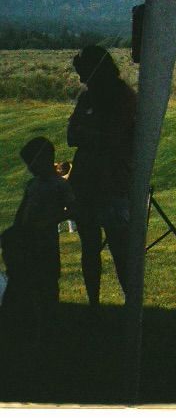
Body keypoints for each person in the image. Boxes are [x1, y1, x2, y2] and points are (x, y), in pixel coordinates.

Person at [66, 45, 136, 307]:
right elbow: (72, 135)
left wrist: (90, 134)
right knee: (89, 247)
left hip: (113, 182)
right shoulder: (88, 98)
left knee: (120, 248)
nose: (82, 79)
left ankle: (131, 302)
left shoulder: (123, 97)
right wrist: (96, 135)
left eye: (84, 72)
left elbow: (113, 137)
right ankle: (93, 303)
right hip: (86, 182)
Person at [0, 138, 74, 330]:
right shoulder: (33, 184)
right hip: (27, 237)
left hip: (45, 239)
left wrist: (51, 220)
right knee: (26, 275)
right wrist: (16, 230)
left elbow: (71, 209)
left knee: (48, 277)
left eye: (32, 164)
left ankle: (50, 317)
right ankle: (25, 315)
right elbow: (23, 209)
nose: (31, 170)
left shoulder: (59, 185)